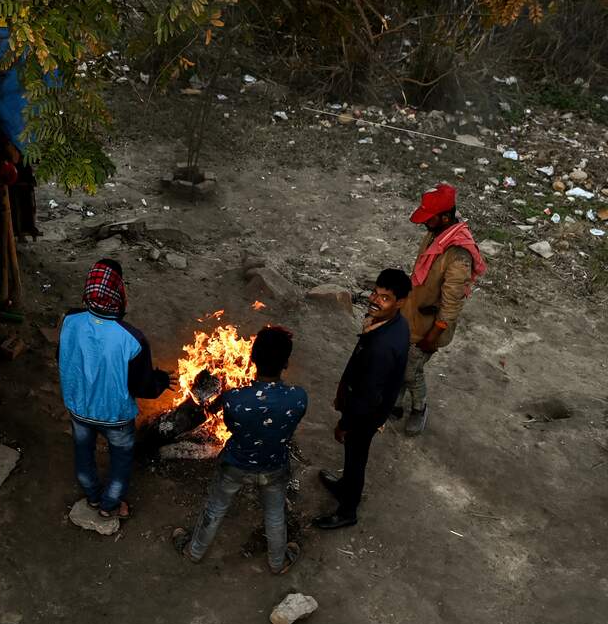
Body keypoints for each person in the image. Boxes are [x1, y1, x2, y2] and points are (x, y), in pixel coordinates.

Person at [172, 326, 306, 575]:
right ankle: (278, 562)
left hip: (235, 465)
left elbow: (232, 427)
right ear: (286, 363)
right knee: (275, 515)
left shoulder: (234, 399)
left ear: (252, 358)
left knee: (215, 508)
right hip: (274, 466)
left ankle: (194, 551)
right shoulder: (298, 397)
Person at [59, 258, 174, 519]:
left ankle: (92, 496)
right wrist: (161, 380)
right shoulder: (132, 338)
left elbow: (63, 357)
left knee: (83, 453)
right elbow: (142, 386)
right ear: (119, 291)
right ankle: (109, 505)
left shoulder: (70, 320)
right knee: (120, 461)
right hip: (116, 416)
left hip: (78, 407)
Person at [314, 269, 412, 530]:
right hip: (372, 405)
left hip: (365, 414)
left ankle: (347, 511)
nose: (375, 301)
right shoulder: (397, 324)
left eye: (385, 298)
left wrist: (344, 424)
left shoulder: (382, 347)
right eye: (375, 293)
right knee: (355, 456)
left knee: (356, 458)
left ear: (400, 302)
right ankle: (344, 487)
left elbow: (366, 397)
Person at [396, 183, 487, 436]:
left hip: (430, 326)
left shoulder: (458, 256)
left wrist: (433, 336)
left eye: (429, 218)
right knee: (402, 361)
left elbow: (451, 306)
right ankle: (396, 402)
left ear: (445, 217)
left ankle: (419, 408)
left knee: (411, 370)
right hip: (413, 315)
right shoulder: (437, 234)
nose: (425, 223)